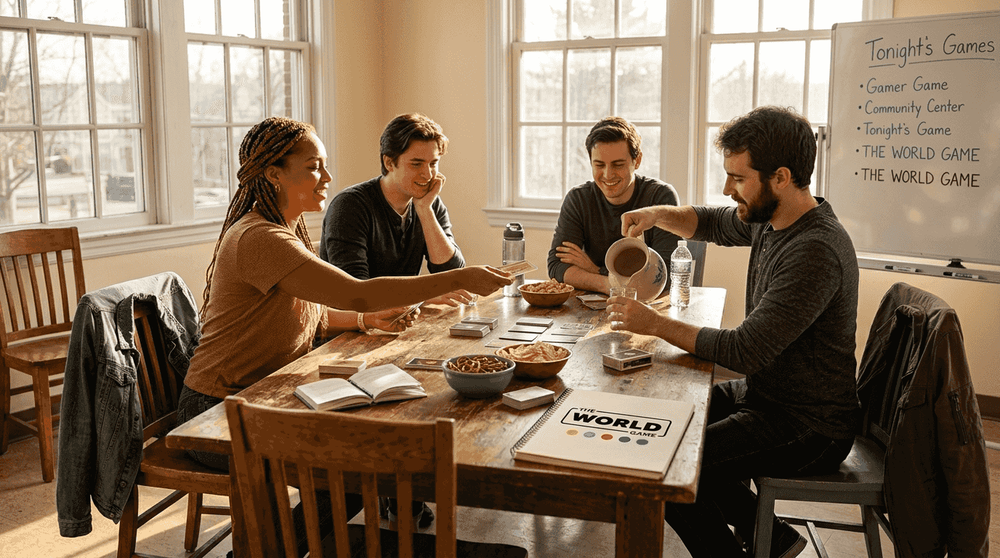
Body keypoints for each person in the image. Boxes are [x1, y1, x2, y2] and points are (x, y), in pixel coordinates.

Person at [608, 106, 861, 558]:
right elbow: (709, 221)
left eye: (738, 179)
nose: (728, 190)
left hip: (810, 425)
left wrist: (653, 324)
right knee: (664, 426)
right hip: (768, 395)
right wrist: (654, 213)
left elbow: (744, 351)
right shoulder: (775, 217)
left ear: (780, 177)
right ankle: (775, 538)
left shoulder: (815, 250)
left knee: (670, 466)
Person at [320, 113, 474, 306]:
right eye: (416, 164)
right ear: (389, 162)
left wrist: (425, 211)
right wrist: (424, 297)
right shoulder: (349, 206)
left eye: (433, 163)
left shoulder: (429, 203)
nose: (427, 174)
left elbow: (452, 276)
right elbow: (357, 293)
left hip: (400, 321)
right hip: (351, 329)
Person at [547, 116, 681, 294]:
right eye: (599, 165)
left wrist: (595, 269)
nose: (608, 175)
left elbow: (664, 277)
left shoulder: (661, 197)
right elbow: (557, 267)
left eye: (618, 165)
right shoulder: (578, 199)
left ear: (637, 160)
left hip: (648, 306)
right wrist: (609, 284)